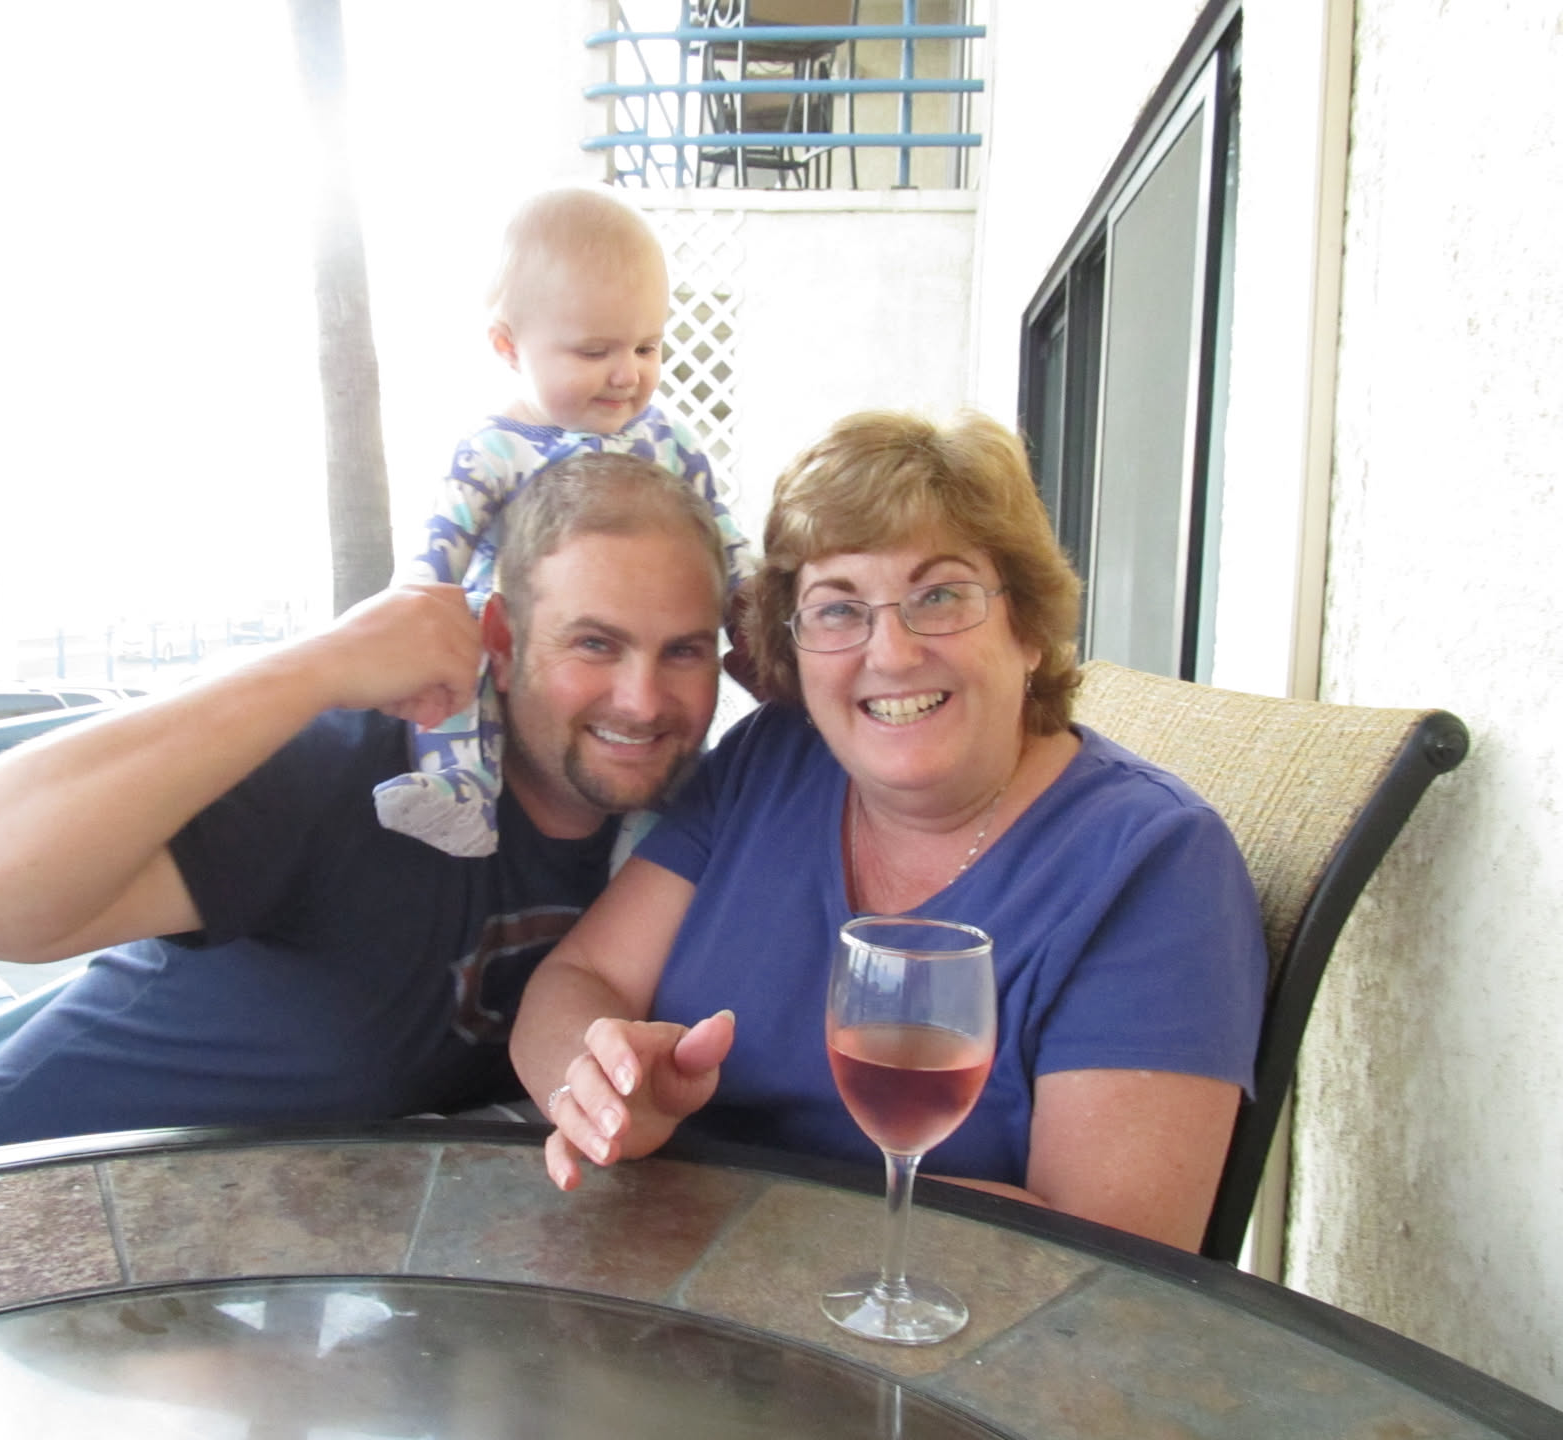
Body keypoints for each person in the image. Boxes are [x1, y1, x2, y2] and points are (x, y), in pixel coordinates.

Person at [510, 410, 1268, 1251]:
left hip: (921, 1323)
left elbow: (1110, 1258)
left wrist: (727, 1213)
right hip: (671, 1279)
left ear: (1026, 627)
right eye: (837, 610)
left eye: (939, 596)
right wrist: (602, 1089)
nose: (893, 653)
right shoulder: (772, 760)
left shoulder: (1153, 864)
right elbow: (577, 980)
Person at [0, 451, 729, 1154]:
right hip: (50, 1200)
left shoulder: (687, 829)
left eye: (684, 652)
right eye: (595, 643)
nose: (642, 701)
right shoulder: (364, 769)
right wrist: (322, 665)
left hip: (289, 1235)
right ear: (502, 645)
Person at [375, 183, 755, 860]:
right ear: (508, 346)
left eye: (646, 348)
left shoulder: (668, 438)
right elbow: (439, 549)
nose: (626, 376)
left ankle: (648, 852)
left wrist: (754, 596)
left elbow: (720, 531)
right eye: (593, 352)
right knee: (454, 664)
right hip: (512, 633)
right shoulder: (494, 447)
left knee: (670, 735)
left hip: (640, 623)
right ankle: (459, 785)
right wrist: (411, 618)